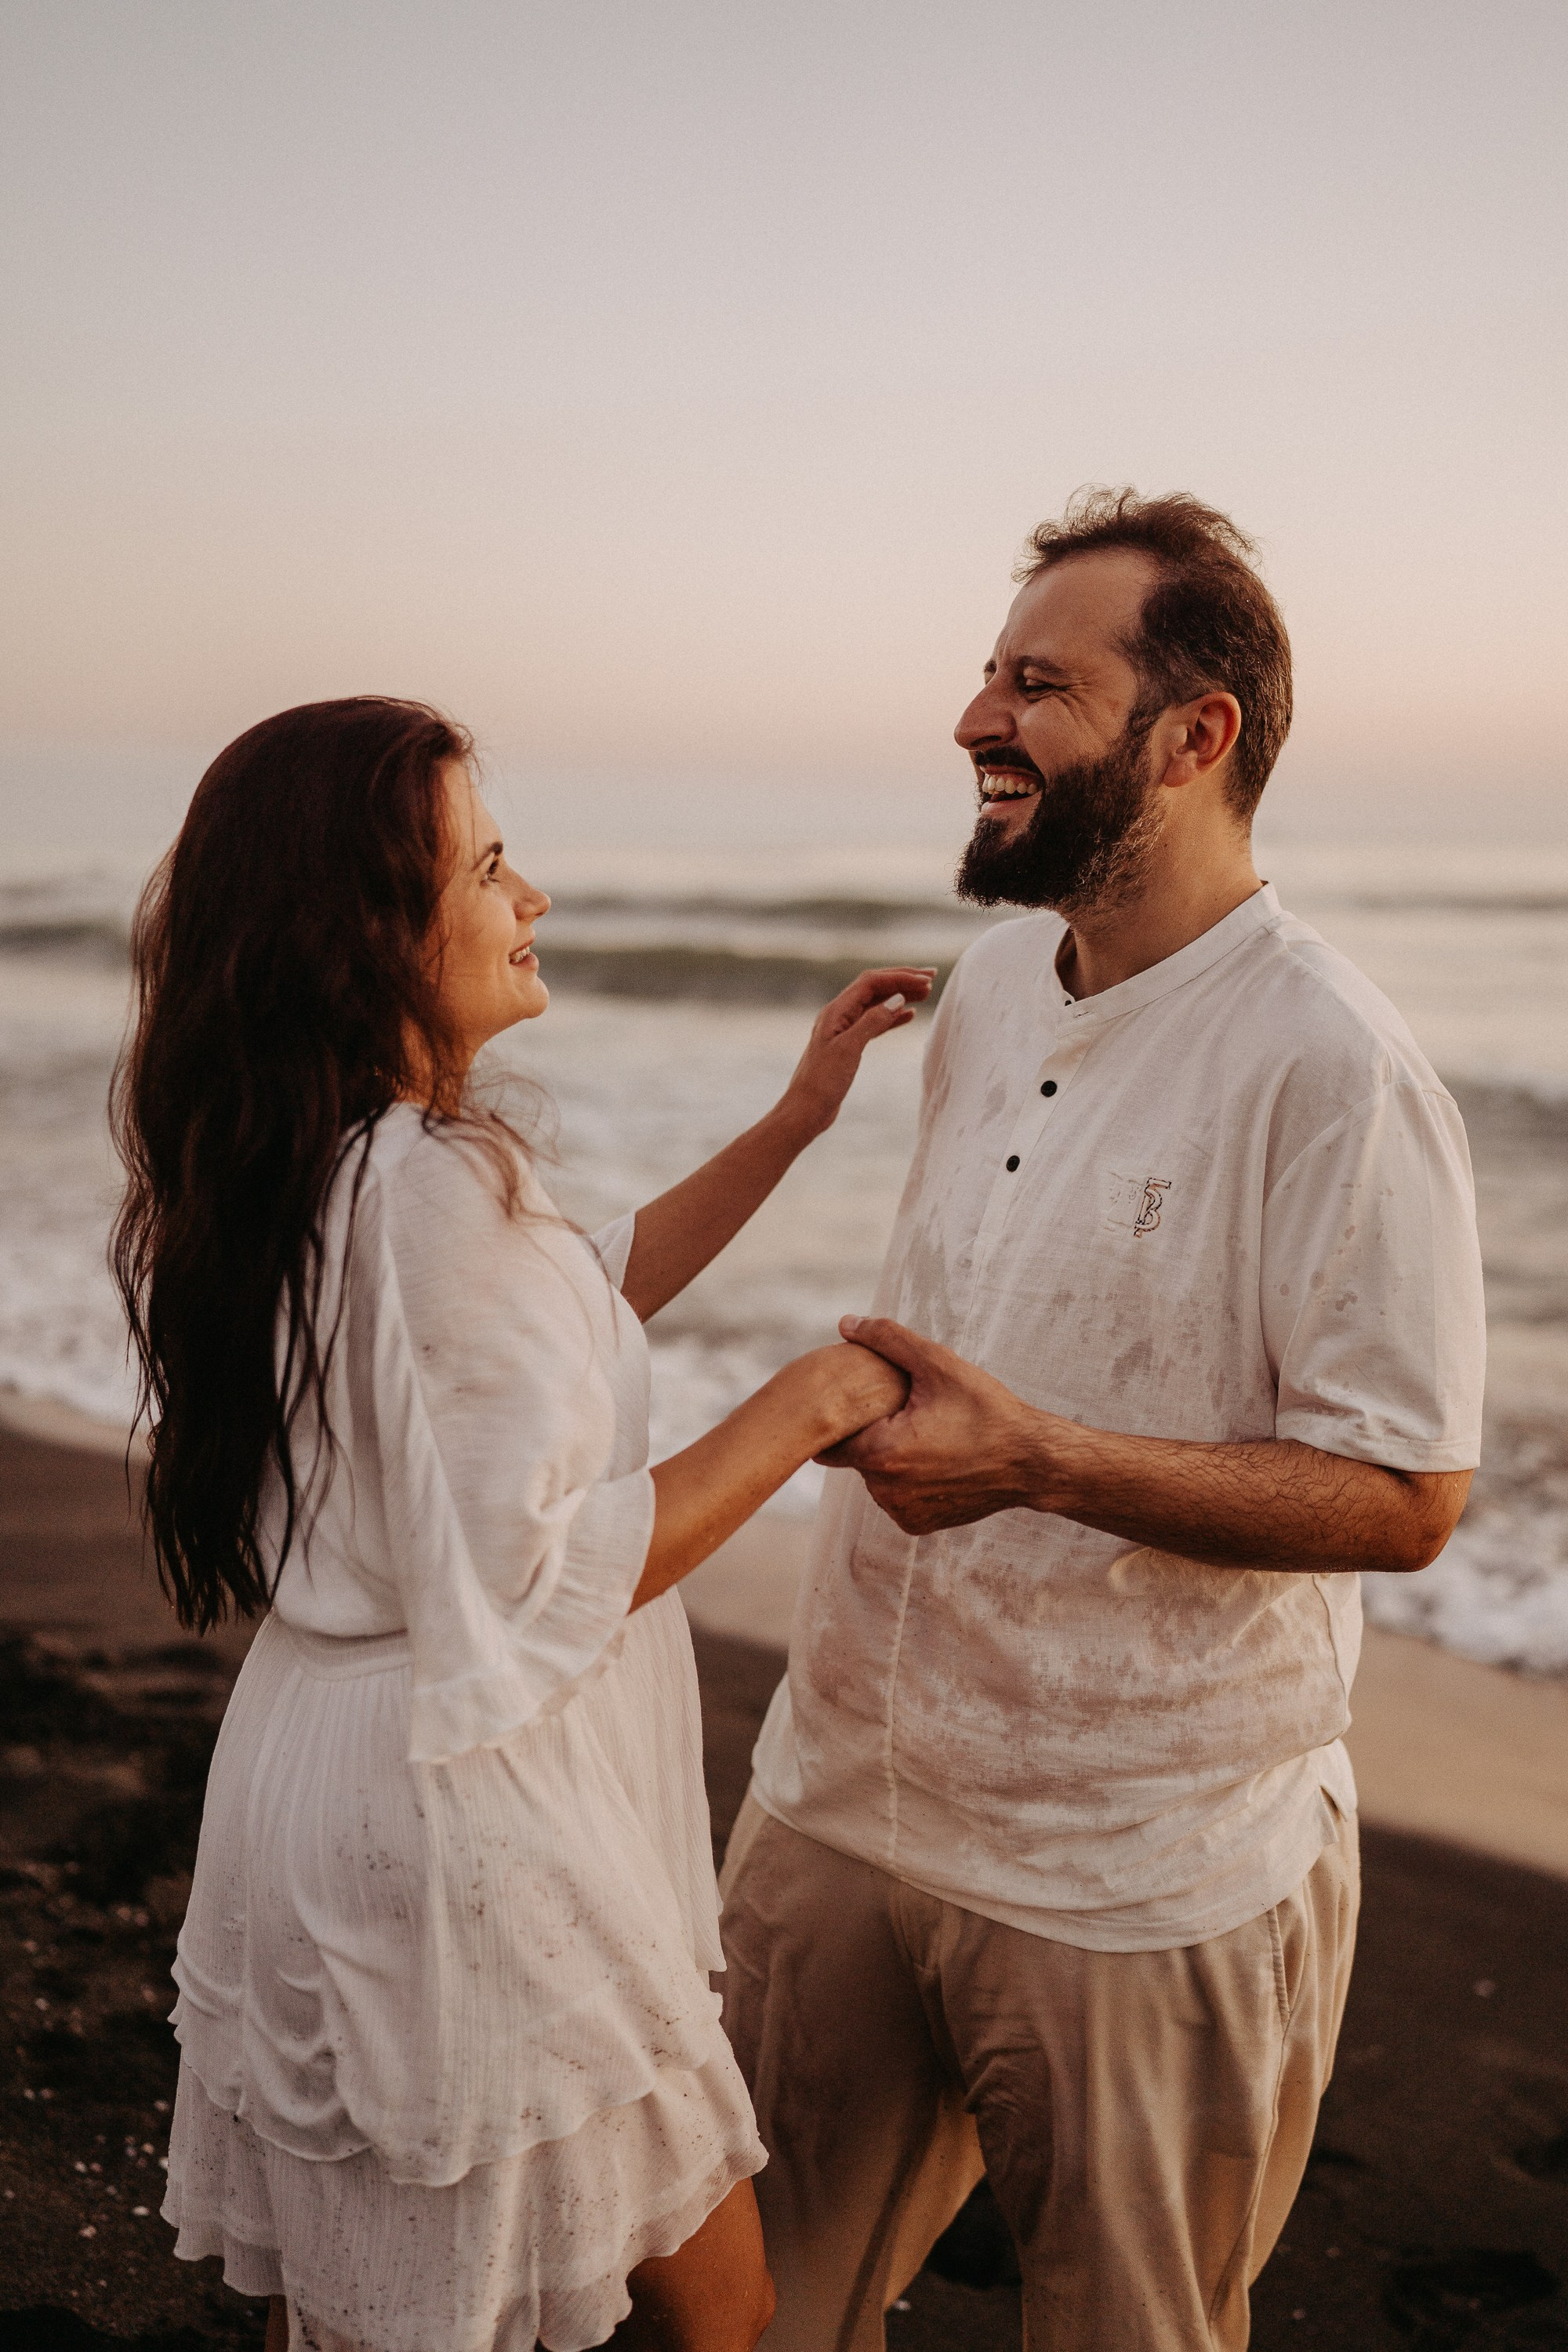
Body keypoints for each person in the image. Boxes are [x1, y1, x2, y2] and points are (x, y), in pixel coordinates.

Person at [718, 491, 1487, 2351]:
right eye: (988, 675)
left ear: (1193, 735)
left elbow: (1403, 1497)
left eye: (1037, 686)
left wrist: (1044, 1461)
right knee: (729, 2317)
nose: (976, 720)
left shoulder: (1331, 1064)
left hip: (1135, 1870)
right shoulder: (988, 987)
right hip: (837, 1793)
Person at [111, 696, 931, 2352]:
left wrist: (793, 1122)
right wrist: (817, 1400)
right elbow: (552, 1575)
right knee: (723, 2307)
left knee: (381, 2294)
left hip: (329, 1763)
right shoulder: (424, 1196)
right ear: (366, 931)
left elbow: (567, 1310)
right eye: (488, 864)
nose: (529, 896)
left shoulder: (319, 1162)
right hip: (456, 1820)